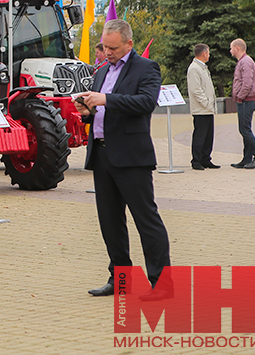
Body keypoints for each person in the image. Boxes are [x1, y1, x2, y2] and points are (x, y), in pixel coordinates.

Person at [74, 19, 171, 300]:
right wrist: (87, 109)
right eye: (105, 47)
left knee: (146, 220)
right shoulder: (101, 71)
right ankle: (119, 277)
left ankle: (161, 284)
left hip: (131, 156)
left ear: (129, 43)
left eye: (113, 48)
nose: (107, 53)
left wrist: (106, 99)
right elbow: (99, 107)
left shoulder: (146, 68)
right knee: (110, 221)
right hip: (102, 154)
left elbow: (145, 103)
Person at [229, 38, 255, 169]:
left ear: (237, 48)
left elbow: (247, 82)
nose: (230, 50)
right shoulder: (243, 61)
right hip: (245, 100)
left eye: (231, 47)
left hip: (246, 100)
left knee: (244, 130)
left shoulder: (245, 61)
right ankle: (247, 158)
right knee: (245, 129)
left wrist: (240, 96)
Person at [186, 43, 219, 170]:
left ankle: (206, 159)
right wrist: (206, 103)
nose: (209, 55)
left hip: (208, 109)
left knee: (208, 135)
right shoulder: (194, 68)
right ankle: (196, 160)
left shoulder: (203, 68)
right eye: (208, 53)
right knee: (200, 135)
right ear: (204, 53)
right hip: (201, 109)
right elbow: (196, 90)